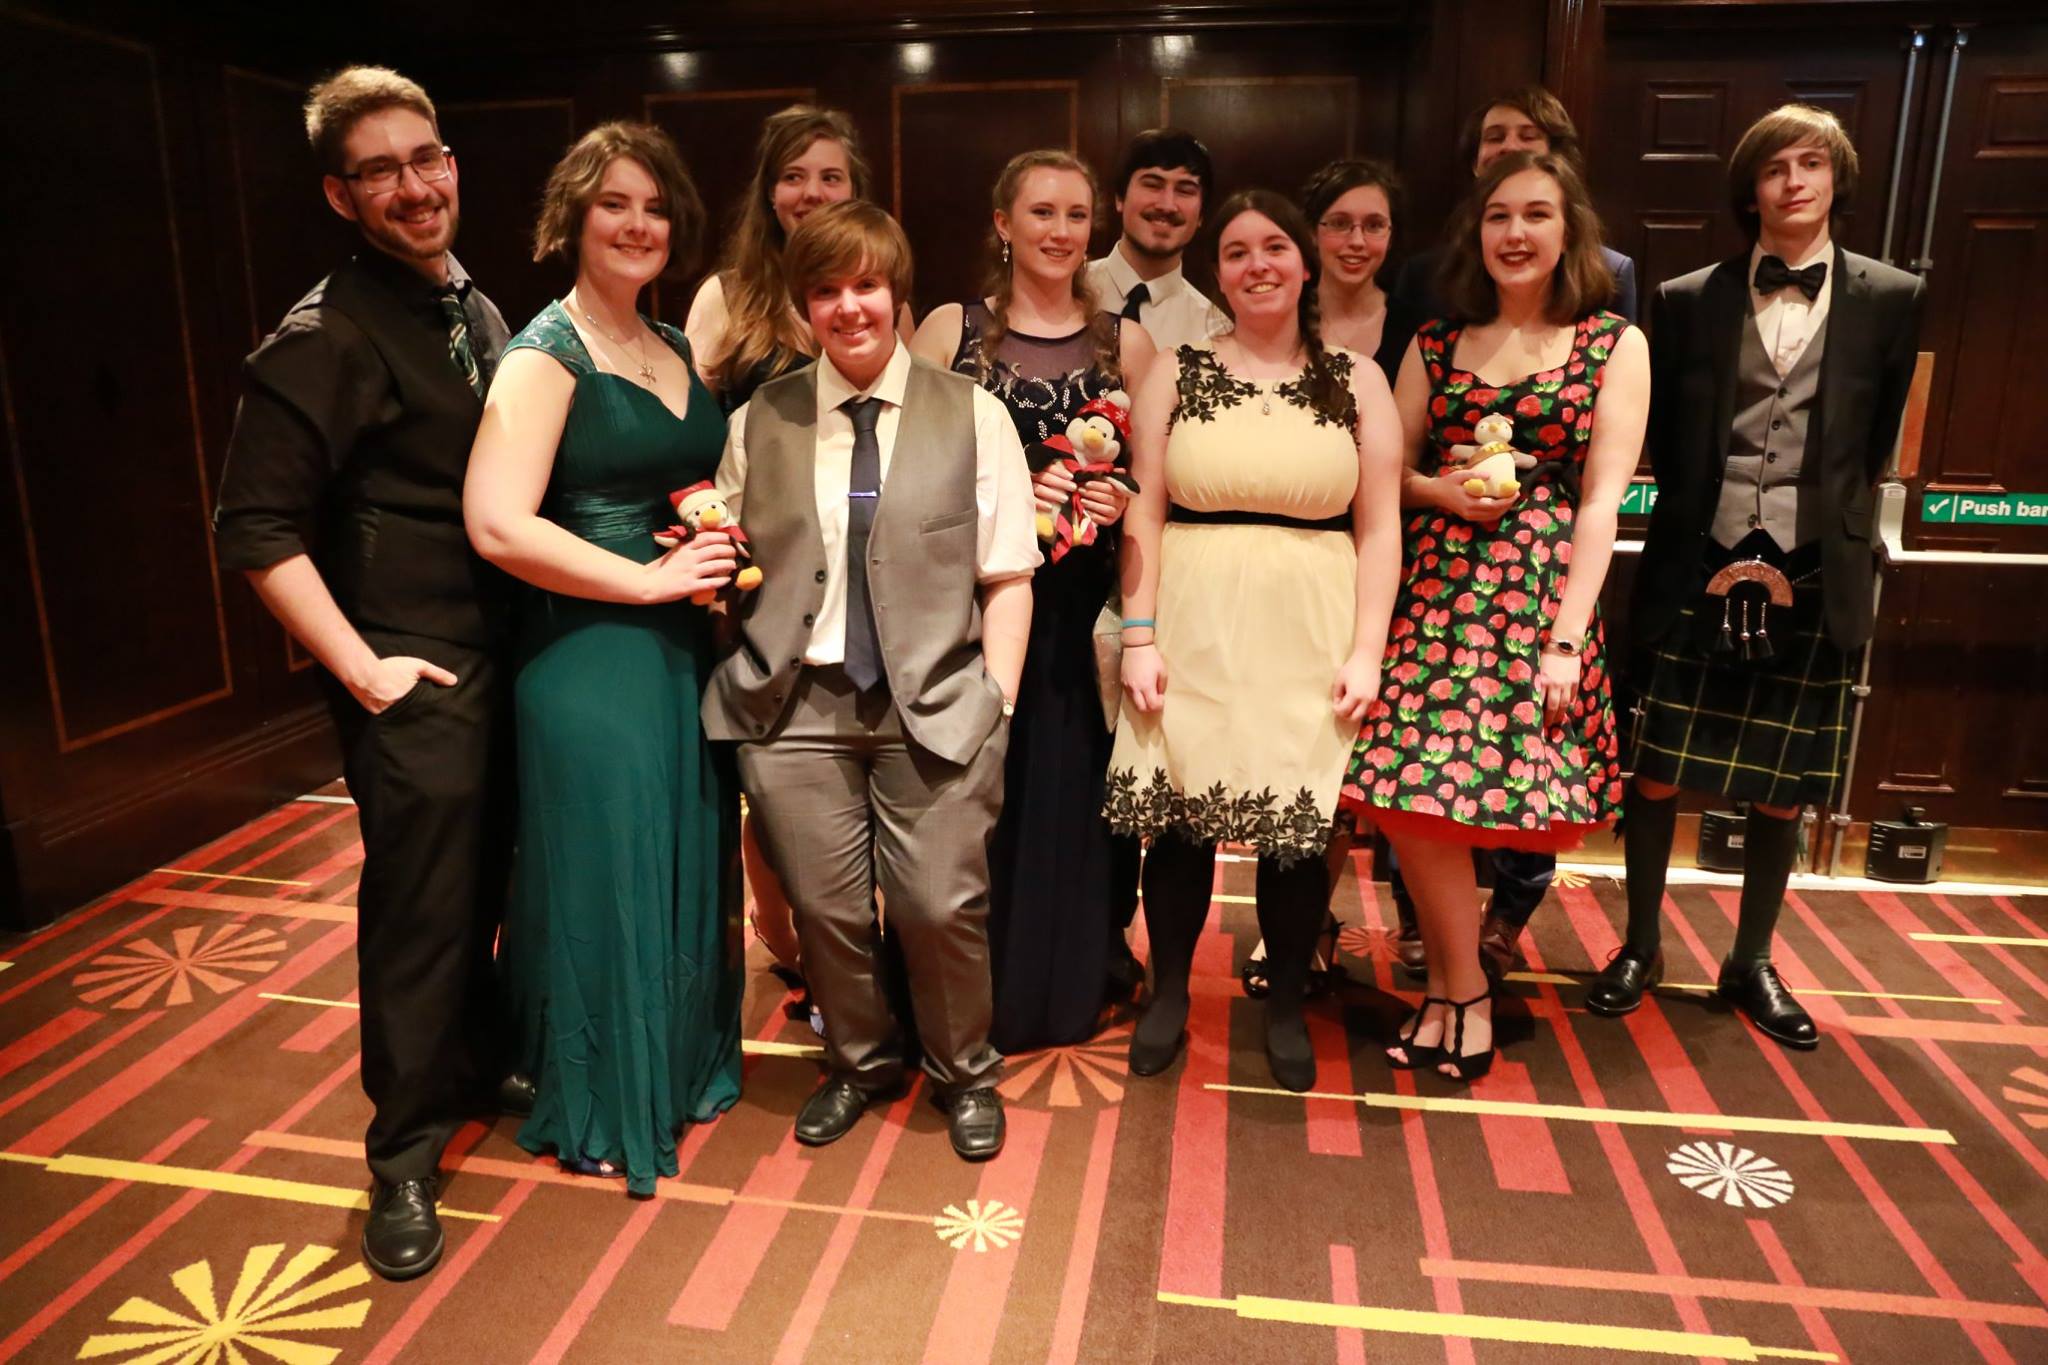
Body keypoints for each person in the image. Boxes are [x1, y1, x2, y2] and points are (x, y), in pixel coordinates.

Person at [213, 66, 518, 1279]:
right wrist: (361, 670)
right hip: (410, 669)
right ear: (341, 197)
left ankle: (473, 1064)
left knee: (485, 880)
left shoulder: (471, 303)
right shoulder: (324, 333)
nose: (413, 186)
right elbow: (253, 528)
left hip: (500, 656)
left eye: (424, 158)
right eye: (379, 171)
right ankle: (401, 1156)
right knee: (418, 915)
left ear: (451, 163)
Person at [706, 200, 1040, 1161]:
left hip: (936, 701)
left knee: (938, 906)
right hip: (795, 706)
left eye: (866, 285)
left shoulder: (973, 414)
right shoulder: (758, 421)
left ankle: (964, 1070)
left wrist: (999, 701)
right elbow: (728, 558)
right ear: (803, 305)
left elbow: (1008, 575)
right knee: (827, 909)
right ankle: (859, 1061)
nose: (848, 306)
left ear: (897, 293)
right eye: (826, 290)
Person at [1588, 105, 1923, 1049]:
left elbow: (1873, 437)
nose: (1794, 181)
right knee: (1656, 769)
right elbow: (1668, 433)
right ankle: (1641, 944)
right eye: (1775, 168)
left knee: (1783, 786)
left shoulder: (1894, 296)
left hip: (1815, 568)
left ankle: (1751, 960)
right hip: (1697, 558)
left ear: (1836, 179)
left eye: (1811, 164)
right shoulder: (1688, 297)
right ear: (1751, 189)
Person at [463, 122, 742, 1194]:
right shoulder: (545, 354)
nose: (637, 224)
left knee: (677, 847)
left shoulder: (670, 343)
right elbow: (497, 523)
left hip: (679, 645)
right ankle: (599, 1093)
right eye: (614, 204)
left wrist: (706, 558)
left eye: (656, 208)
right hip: (588, 652)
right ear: (572, 218)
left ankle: (667, 1065)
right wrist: (648, 581)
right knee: (608, 867)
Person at [1342, 151, 1648, 1084]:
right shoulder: (1436, 340)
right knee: (1406, 793)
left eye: (1536, 214)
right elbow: (1384, 471)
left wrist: (1567, 638)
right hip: (1432, 593)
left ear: (1569, 230)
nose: (1515, 233)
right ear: (1476, 233)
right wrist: (1445, 491)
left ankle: (1453, 992)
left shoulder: (1613, 344)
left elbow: (1603, 503)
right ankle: (1462, 985)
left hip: (1536, 598)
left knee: (1472, 801)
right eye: (1498, 215)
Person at [1105, 189, 1402, 1094]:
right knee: (1180, 827)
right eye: (1236, 252)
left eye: (1274, 247)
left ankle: (1283, 1006)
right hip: (1190, 618)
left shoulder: (1359, 378)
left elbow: (1381, 527)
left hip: (1312, 623)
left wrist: (1367, 650)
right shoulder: (1175, 369)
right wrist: (1139, 635)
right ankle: (1168, 992)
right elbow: (1143, 508)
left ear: (1306, 263)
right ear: (1220, 273)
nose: (1257, 264)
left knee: (1296, 832)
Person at [910, 150, 1157, 1054]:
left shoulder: (1126, 344)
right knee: (972, 802)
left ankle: (1059, 985)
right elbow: (903, 473)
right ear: (1003, 223)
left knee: (1070, 804)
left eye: (1077, 215)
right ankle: (961, 991)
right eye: (1042, 212)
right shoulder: (951, 330)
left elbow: (1151, 487)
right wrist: (1010, 489)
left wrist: (1119, 498)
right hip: (967, 606)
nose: (1060, 231)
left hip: (1077, 615)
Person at [681, 104, 882, 999]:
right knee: (763, 770)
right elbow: (688, 436)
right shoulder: (727, 297)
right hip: (755, 579)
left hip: (855, 582)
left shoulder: (873, 287)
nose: (811, 192)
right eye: (793, 177)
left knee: (850, 775)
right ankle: (783, 931)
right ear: (769, 193)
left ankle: (846, 946)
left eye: (830, 176)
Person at [1392, 85, 1639, 324]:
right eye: (1494, 137)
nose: (1509, 147)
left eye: (1528, 136)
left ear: (1557, 159)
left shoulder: (1611, 273)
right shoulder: (1422, 276)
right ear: (1475, 163)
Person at [1085, 129, 1229, 360]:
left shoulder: (1216, 331)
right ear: (1119, 198)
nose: (1167, 205)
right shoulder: (1066, 289)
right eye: (1152, 185)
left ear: (1201, 215)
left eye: (1184, 190)